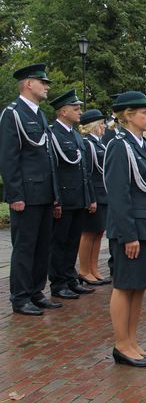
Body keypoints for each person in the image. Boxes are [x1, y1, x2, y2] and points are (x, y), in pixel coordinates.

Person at [104, 91, 146, 367]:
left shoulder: (142, 143)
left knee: (139, 286)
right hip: (130, 229)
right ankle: (121, 344)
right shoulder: (119, 145)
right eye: (143, 112)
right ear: (127, 115)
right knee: (125, 285)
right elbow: (117, 194)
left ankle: (132, 341)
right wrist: (129, 235)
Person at [0, 64, 62, 315]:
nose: (46, 86)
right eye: (42, 82)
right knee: (25, 246)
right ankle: (20, 296)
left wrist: (55, 195)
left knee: (42, 245)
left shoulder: (38, 115)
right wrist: (15, 195)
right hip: (26, 194)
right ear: (28, 84)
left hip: (44, 193)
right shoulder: (13, 114)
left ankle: (36, 291)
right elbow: (9, 158)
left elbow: (47, 158)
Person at [48, 90, 96, 300]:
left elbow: (85, 171)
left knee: (73, 241)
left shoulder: (75, 134)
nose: (80, 112)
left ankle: (70, 278)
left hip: (78, 198)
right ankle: (58, 283)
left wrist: (89, 197)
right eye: (75, 109)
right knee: (59, 242)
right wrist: (56, 199)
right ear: (62, 111)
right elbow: (53, 170)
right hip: (65, 199)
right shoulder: (53, 134)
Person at [78, 108, 111, 285]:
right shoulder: (88, 144)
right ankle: (84, 270)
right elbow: (88, 173)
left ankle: (94, 269)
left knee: (98, 233)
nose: (104, 126)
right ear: (94, 126)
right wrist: (90, 198)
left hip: (102, 194)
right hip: (94, 195)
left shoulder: (99, 143)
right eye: (101, 124)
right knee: (88, 233)